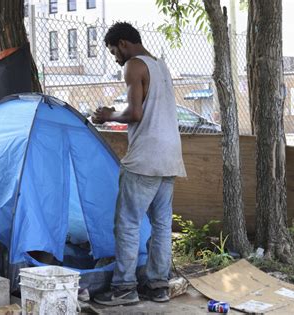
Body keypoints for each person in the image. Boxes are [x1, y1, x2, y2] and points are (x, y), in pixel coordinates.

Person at [93, 22, 187, 306]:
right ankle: (158, 286)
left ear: (123, 44)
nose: (115, 58)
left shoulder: (133, 65)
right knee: (161, 225)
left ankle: (124, 289)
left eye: (113, 51)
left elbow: (134, 113)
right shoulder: (160, 65)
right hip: (170, 156)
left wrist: (109, 115)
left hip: (145, 157)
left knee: (128, 224)